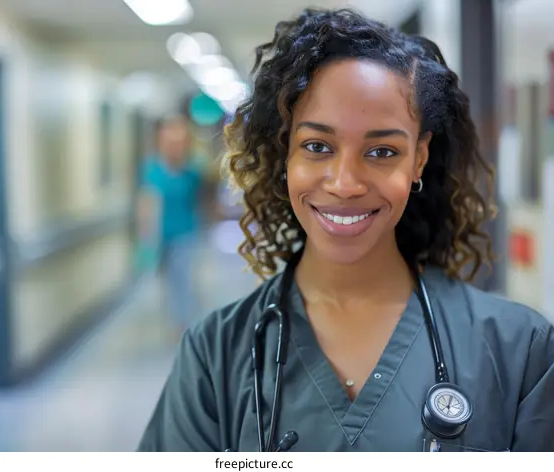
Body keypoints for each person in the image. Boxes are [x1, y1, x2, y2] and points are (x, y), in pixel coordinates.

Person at [137, 8, 554, 452]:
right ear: (285, 155)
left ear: (418, 158)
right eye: (317, 146)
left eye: (381, 151)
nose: (345, 183)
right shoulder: (215, 355)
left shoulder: (519, 350)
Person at [138, 115, 204, 336]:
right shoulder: (152, 171)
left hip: (185, 233)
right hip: (159, 236)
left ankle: (182, 324)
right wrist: (145, 239)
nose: (174, 146)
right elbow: (146, 204)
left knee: (182, 279)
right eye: (169, 141)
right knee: (166, 280)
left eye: (178, 142)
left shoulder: (192, 172)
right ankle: (174, 318)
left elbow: (199, 200)